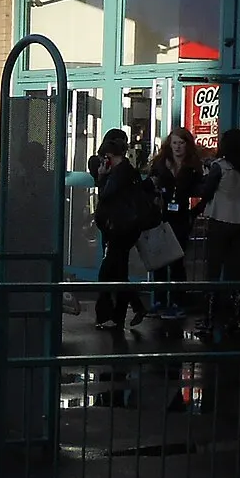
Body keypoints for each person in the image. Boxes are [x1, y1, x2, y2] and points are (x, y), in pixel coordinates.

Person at [201, 128, 240, 336]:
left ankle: (210, 318)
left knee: (213, 268)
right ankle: (236, 318)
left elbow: (206, 192)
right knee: (236, 269)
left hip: (220, 218)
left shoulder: (220, 167)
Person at [89, 127, 152, 330]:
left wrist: (102, 177)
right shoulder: (126, 170)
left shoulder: (119, 172)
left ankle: (115, 314)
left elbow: (106, 195)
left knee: (109, 272)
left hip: (120, 229)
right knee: (118, 272)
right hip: (120, 227)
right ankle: (124, 313)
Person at [147, 127, 206, 320]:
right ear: (169, 144)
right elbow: (150, 185)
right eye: (174, 143)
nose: (178, 147)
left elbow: (205, 191)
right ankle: (159, 300)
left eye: (181, 143)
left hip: (181, 217)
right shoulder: (161, 163)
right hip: (160, 217)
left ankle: (178, 302)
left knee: (177, 261)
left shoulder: (192, 167)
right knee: (160, 261)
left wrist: (194, 212)